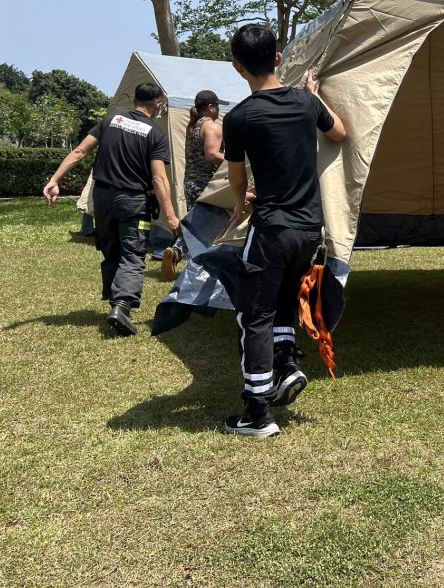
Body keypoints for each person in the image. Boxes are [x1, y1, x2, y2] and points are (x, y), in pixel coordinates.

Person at [221, 24, 347, 437]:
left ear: (238, 67)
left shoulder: (239, 117)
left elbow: (237, 177)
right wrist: (314, 94)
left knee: (254, 315)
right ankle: (287, 366)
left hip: (272, 229)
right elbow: (340, 132)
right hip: (309, 229)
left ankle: (257, 414)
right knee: (282, 303)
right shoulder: (306, 103)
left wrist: (242, 200)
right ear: (277, 58)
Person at [43, 83, 181, 336]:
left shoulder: (110, 121)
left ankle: (114, 298)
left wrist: (55, 179)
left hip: (103, 198)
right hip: (133, 201)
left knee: (111, 248)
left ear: (135, 100)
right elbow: (159, 178)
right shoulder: (156, 135)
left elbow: (79, 151)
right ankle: (122, 306)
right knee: (133, 252)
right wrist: (171, 216)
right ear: (158, 105)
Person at [160, 89, 226, 279]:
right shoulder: (211, 126)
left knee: (197, 224)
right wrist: (236, 163)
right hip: (207, 183)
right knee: (216, 223)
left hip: (191, 181)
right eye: (218, 106)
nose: (219, 110)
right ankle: (198, 262)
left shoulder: (194, 125)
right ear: (211, 107)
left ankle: (177, 251)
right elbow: (211, 155)